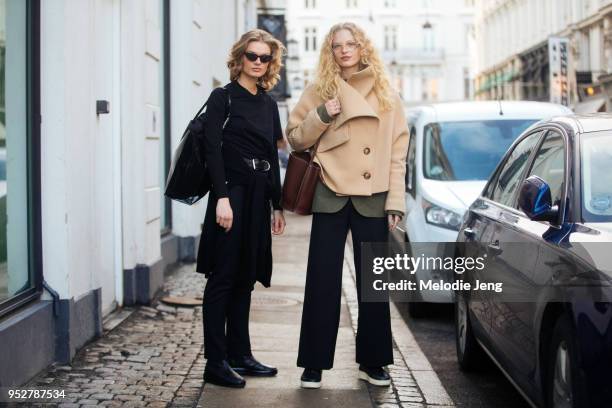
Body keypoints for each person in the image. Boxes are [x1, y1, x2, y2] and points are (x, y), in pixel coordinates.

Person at [285, 22, 409, 389]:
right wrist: (322, 114)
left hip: (373, 195)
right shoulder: (319, 90)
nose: (344, 50)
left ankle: (373, 362)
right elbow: (294, 139)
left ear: (362, 48)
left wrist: (396, 201)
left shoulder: (386, 94)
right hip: (331, 191)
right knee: (321, 280)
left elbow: (398, 153)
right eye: (337, 45)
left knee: (373, 283)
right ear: (330, 51)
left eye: (351, 44)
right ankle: (313, 363)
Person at [196, 28, 287, 389]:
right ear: (239, 58)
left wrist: (277, 204)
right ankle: (214, 362)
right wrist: (221, 197)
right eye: (253, 56)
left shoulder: (268, 103)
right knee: (223, 277)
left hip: (258, 195)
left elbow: (272, 154)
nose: (258, 63)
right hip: (231, 193)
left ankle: (240, 354)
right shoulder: (223, 97)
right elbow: (212, 150)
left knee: (246, 276)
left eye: (265, 58)